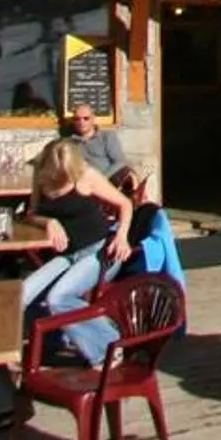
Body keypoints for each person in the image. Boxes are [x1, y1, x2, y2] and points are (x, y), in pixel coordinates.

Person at [23, 139, 137, 361]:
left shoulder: (86, 176)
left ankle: (109, 347)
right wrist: (49, 222)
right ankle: (53, 343)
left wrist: (122, 236)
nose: (59, 178)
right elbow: (31, 213)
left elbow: (125, 204)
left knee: (59, 297)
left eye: (65, 174)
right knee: (26, 294)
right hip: (68, 253)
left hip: (99, 249)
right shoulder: (41, 177)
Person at [60, 102, 132, 186]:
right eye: (77, 119)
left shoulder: (106, 136)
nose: (81, 122)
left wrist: (102, 179)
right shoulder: (69, 142)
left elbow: (120, 161)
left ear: (93, 119)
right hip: (84, 183)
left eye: (86, 118)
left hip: (109, 179)